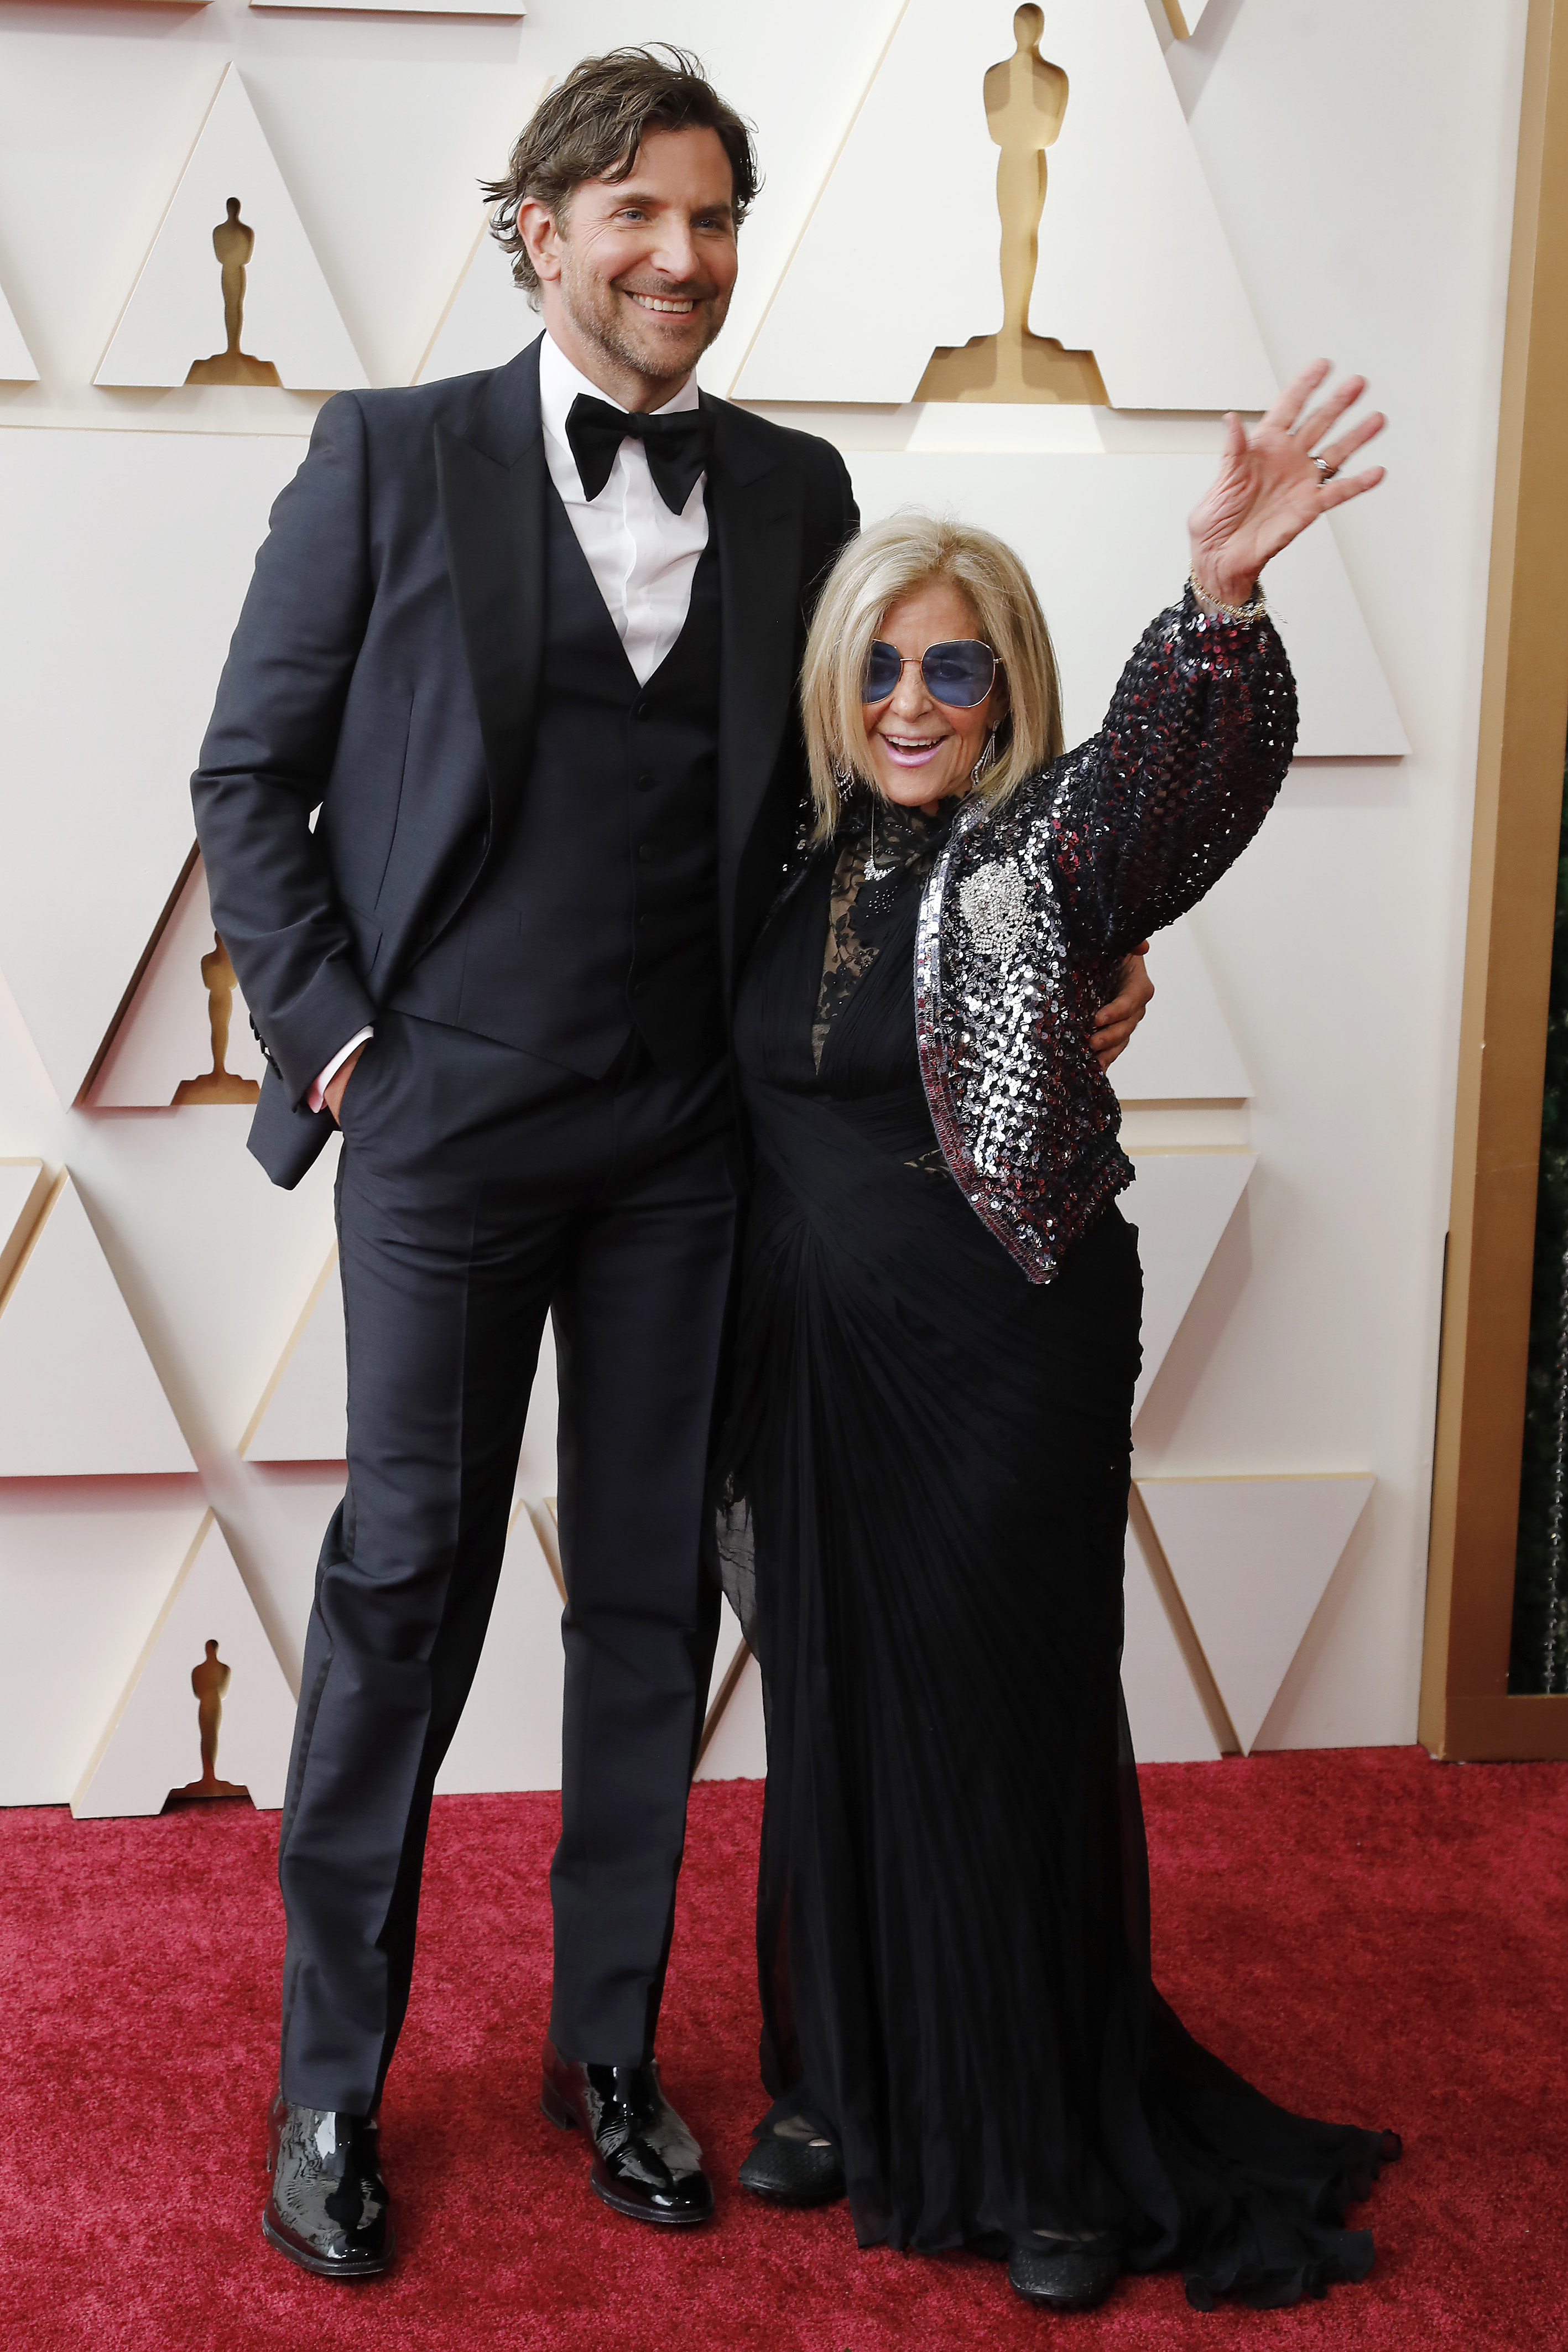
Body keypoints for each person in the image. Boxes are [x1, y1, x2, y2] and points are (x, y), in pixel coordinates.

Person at [191, 38, 1160, 2282]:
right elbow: (249, 775)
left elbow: (882, 797)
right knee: (406, 1586)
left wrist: (1070, 959)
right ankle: (330, 2075)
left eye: (712, 218)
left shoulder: (800, 492)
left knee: (650, 1599)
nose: (682, 255)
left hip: (692, 1151)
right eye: (636, 211)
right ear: (538, 229)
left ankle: (605, 2045)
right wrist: (340, 1048)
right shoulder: (384, 458)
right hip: (440, 1124)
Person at [718, 362, 1401, 2314]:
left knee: (1002, 1722)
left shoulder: (1042, 856)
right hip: (804, 1368)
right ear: (833, 689)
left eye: (953, 670)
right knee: (834, 1712)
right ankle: (845, 2076)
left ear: (1005, 687)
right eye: (878, 670)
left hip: (1000, 1353)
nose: (911, 704)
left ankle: (1044, 2139)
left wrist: (1218, 602)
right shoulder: (774, 866)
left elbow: (1162, 793)